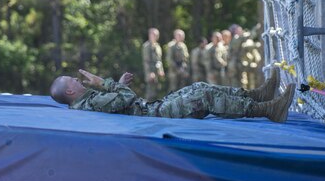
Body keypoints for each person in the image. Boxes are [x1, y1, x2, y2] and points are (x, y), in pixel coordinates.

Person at [50, 68, 295, 123]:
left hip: (152, 108)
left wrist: (117, 84)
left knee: (199, 86)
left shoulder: (87, 103)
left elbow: (122, 100)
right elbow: (125, 98)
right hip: (155, 115)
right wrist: (104, 82)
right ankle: (267, 110)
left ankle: (256, 95)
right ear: (70, 91)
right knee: (204, 97)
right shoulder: (90, 102)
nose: (77, 78)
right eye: (72, 80)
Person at [142, 28, 165, 101]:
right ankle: (146, 110)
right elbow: (146, 61)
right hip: (151, 72)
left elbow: (159, 60)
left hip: (157, 72)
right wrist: (150, 73)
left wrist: (161, 70)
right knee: (150, 93)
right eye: (153, 34)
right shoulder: (147, 46)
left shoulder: (157, 46)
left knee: (157, 92)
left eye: (157, 34)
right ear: (149, 35)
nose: (156, 36)